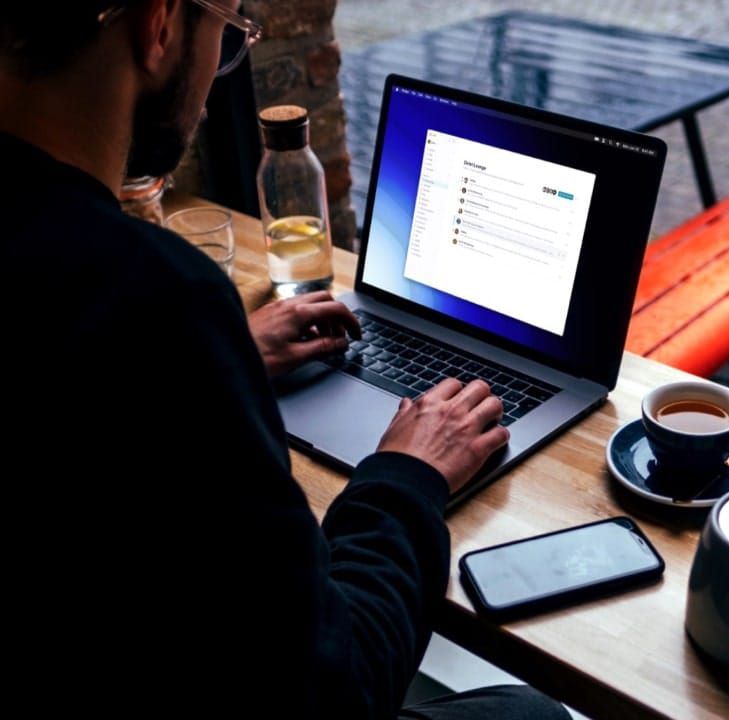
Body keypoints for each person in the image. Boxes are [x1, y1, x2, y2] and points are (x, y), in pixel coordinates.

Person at [0, 2, 569, 717]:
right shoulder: (153, 301)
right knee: (532, 710)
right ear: (160, 26)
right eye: (228, 35)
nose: (216, 79)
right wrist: (409, 475)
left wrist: (226, 357)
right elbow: (338, 690)